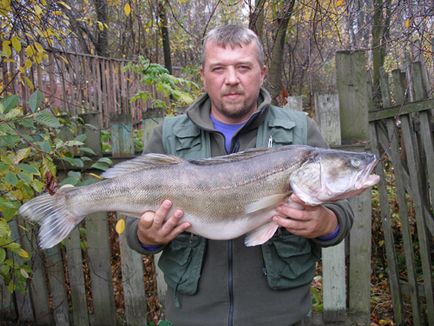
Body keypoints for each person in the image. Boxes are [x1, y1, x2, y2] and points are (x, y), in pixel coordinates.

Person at [126, 24, 354, 326]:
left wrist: (324, 222)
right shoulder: (168, 136)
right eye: (218, 69)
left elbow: (341, 215)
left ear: (261, 72)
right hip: (193, 318)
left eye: (243, 67)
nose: (231, 80)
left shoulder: (300, 131)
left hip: (282, 317)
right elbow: (133, 230)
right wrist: (147, 235)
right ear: (203, 76)